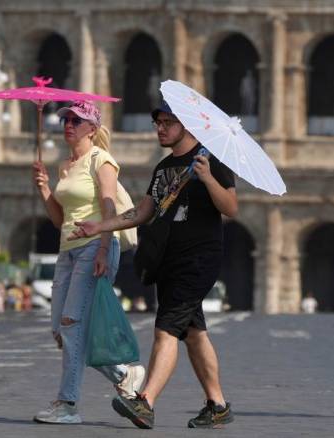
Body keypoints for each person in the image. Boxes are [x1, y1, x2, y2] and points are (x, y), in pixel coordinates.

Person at [70, 100, 237, 429]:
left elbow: (231, 207)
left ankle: (145, 401)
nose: (160, 128)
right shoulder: (162, 169)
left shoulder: (211, 161)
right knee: (194, 333)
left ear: (186, 126)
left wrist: (208, 179)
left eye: (167, 122)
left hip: (199, 258)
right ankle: (217, 405)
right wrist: (99, 226)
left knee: (166, 330)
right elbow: (143, 212)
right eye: (158, 123)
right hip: (168, 259)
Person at [31, 100, 145, 424]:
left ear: (92, 129)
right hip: (67, 250)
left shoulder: (102, 160)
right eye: (66, 119)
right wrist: (44, 189)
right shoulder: (65, 167)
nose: (68, 124)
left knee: (71, 326)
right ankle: (124, 374)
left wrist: (103, 247)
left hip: (95, 245)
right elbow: (59, 219)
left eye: (76, 121)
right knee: (60, 329)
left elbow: (109, 207)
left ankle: (68, 405)